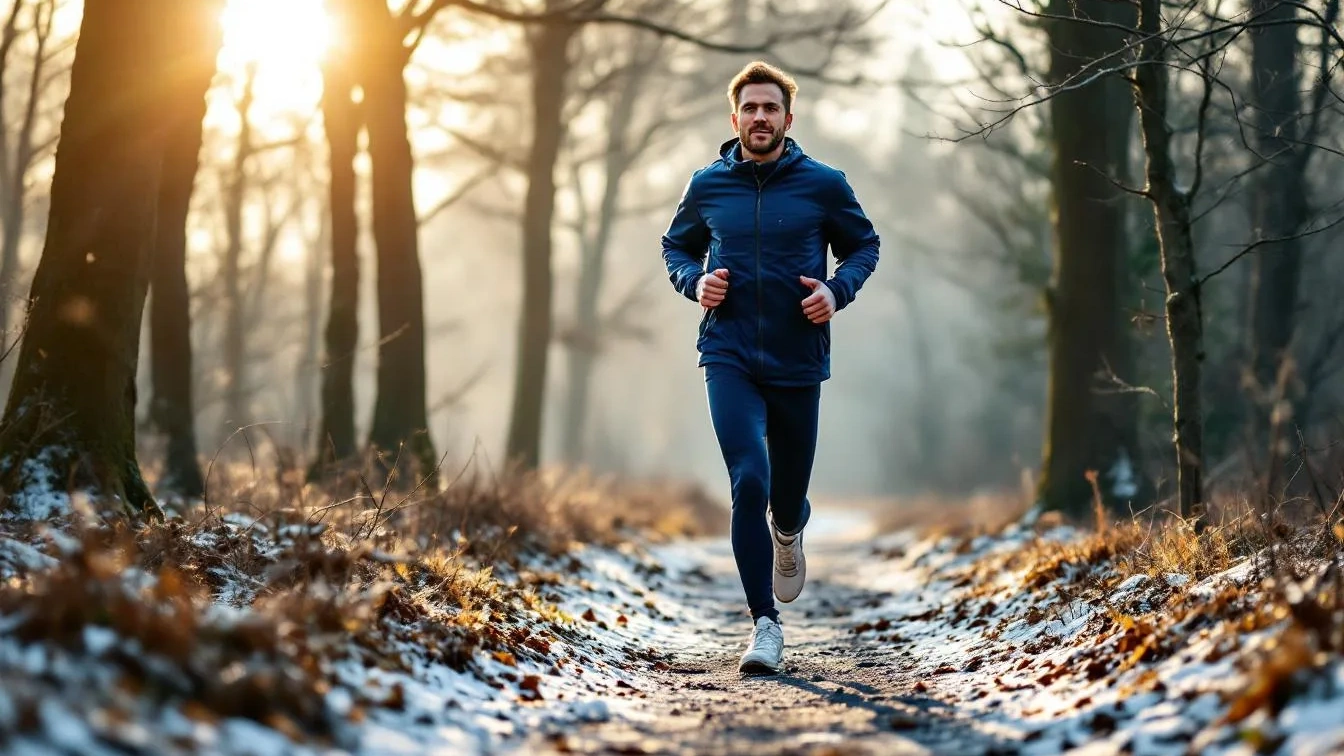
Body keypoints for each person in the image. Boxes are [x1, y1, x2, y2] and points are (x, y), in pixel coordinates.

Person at [659, 60, 880, 674]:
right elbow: (676, 245)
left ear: (788, 118)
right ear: (735, 119)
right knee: (748, 479)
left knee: (786, 496)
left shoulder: (824, 184)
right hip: (726, 353)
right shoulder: (707, 185)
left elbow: (865, 245)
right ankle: (765, 625)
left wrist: (838, 292)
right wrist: (693, 281)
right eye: (750, 108)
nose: (760, 117)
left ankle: (789, 530)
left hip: (797, 359)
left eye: (771, 108)